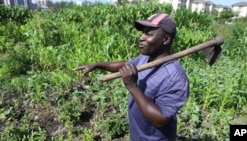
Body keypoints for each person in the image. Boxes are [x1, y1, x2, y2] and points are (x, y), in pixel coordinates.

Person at [73, 13, 189, 141]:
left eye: (148, 34)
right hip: (138, 135)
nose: (141, 38)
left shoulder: (174, 77)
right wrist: (98, 65)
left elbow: (161, 119)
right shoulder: (146, 58)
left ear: (166, 39)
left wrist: (132, 86)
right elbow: (126, 65)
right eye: (143, 33)